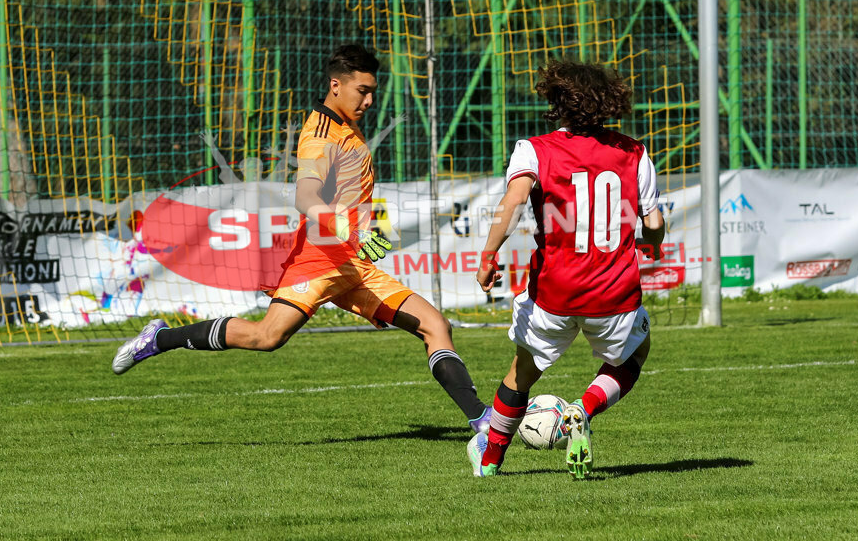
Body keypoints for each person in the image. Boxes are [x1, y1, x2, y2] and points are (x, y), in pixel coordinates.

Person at [113, 44, 491, 433]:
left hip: (354, 264)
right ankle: (161, 337)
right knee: (266, 336)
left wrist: (361, 229)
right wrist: (351, 230)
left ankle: (482, 420)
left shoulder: (345, 122)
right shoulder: (320, 136)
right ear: (336, 86)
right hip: (319, 259)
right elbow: (306, 197)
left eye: (372, 90)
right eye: (363, 91)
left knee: (435, 326)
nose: (370, 100)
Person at [466, 60, 665, 479]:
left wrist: (488, 255)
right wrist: (651, 246)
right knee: (635, 354)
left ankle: (489, 462)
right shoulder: (634, 151)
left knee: (522, 373)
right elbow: (654, 224)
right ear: (608, 102)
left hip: (554, 292)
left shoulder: (534, 149)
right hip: (613, 293)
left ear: (558, 102)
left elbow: (514, 203)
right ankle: (584, 408)